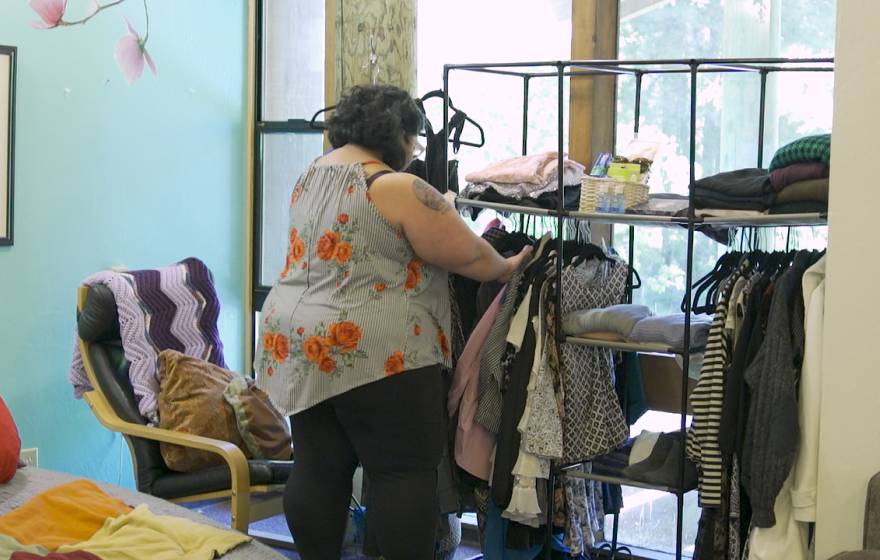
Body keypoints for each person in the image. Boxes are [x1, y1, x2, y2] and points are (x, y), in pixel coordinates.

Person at [254, 84, 530, 560]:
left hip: (297, 343)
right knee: (403, 472)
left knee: (319, 466)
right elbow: (468, 254)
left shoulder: (312, 174)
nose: (416, 149)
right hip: (376, 350)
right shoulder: (397, 186)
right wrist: (509, 266)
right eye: (416, 139)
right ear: (398, 132)